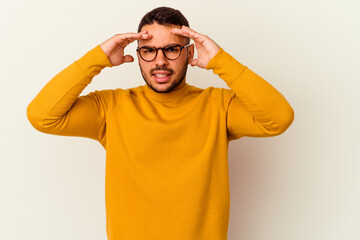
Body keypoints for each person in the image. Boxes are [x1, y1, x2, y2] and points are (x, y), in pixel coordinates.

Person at [27, 6, 294, 240]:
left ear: (189, 53)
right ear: (138, 54)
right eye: (149, 51)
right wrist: (96, 59)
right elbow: (42, 116)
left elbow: (279, 119)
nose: (160, 61)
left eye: (171, 49)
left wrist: (221, 61)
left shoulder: (218, 106)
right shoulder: (111, 107)